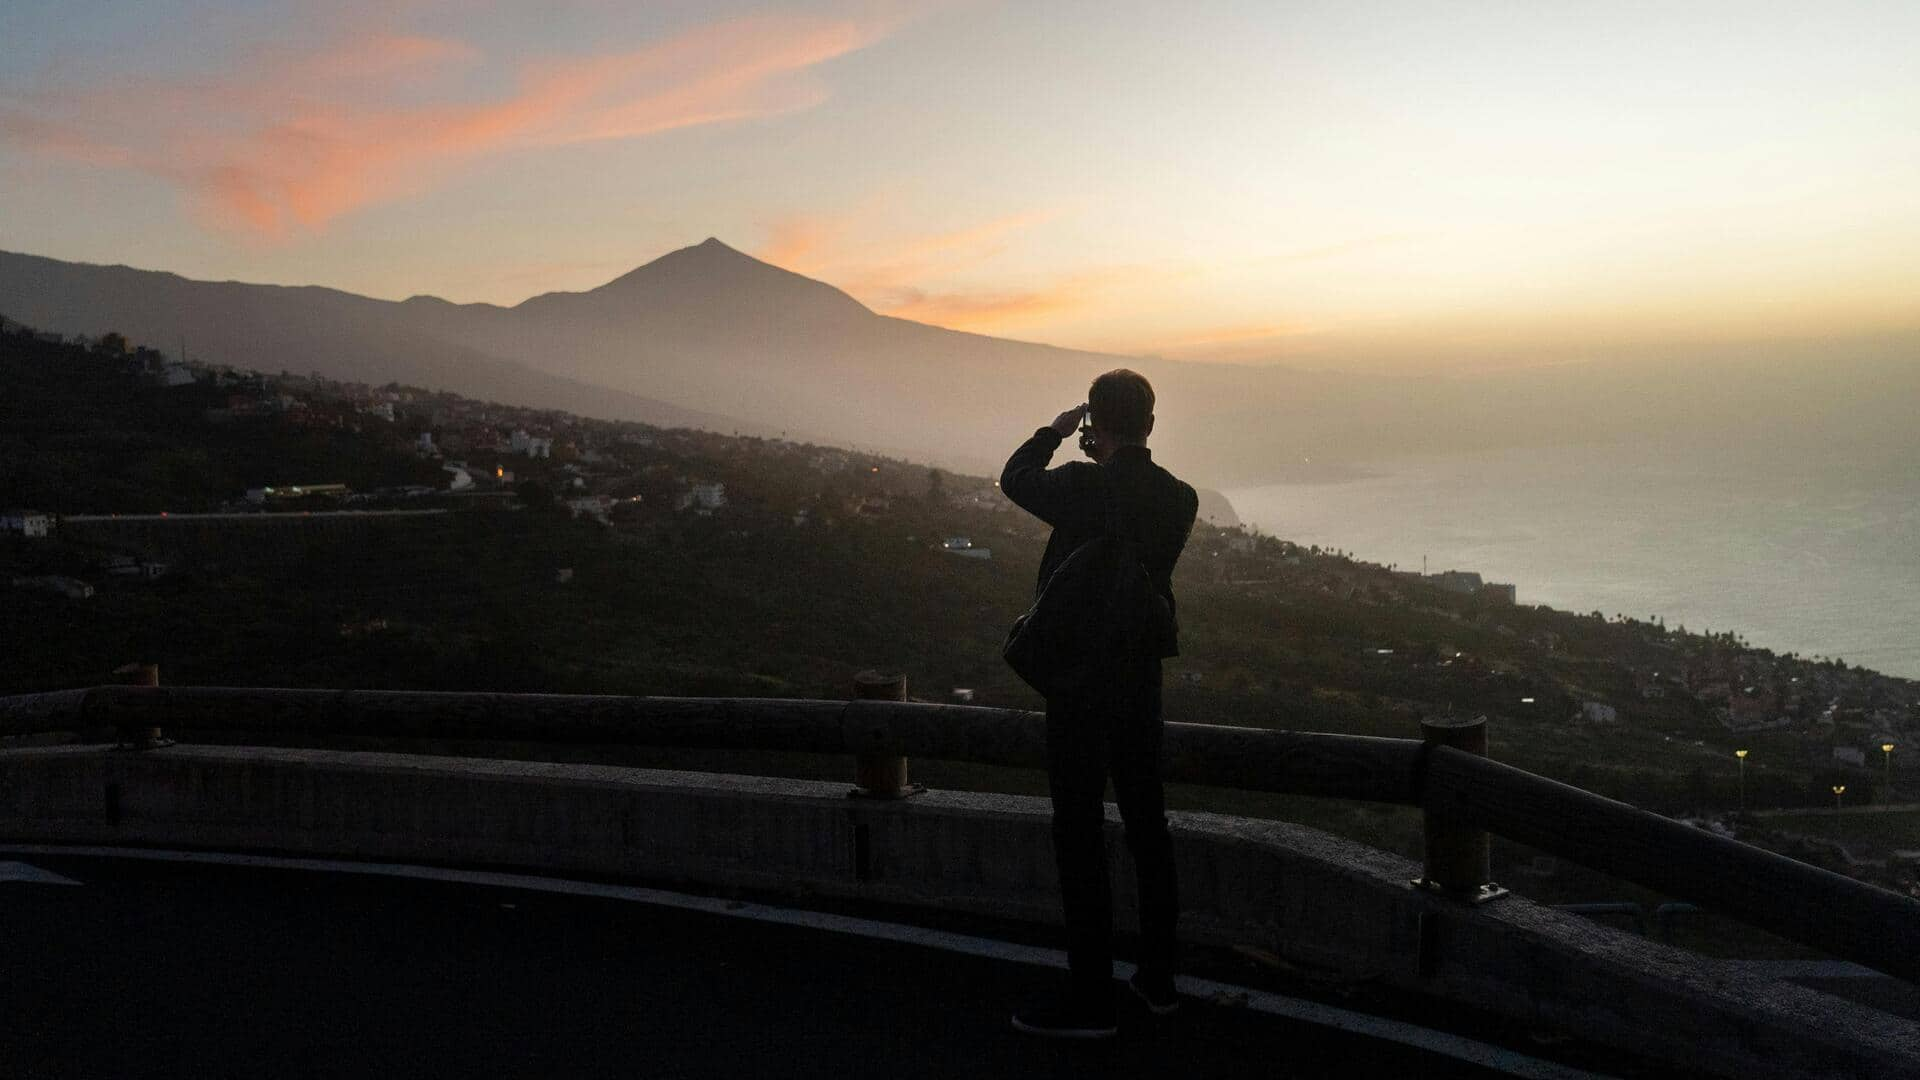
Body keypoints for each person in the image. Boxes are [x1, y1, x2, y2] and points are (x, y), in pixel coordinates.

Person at [1000, 369, 1199, 1039]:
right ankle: (1157, 980)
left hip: (1080, 682)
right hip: (1140, 678)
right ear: (1150, 421)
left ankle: (1090, 999)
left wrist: (1054, 433)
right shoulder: (1180, 498)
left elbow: (1016, 478)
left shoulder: (1083, 488)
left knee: (1079, 833)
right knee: (1149, 825)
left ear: (1097, 422)